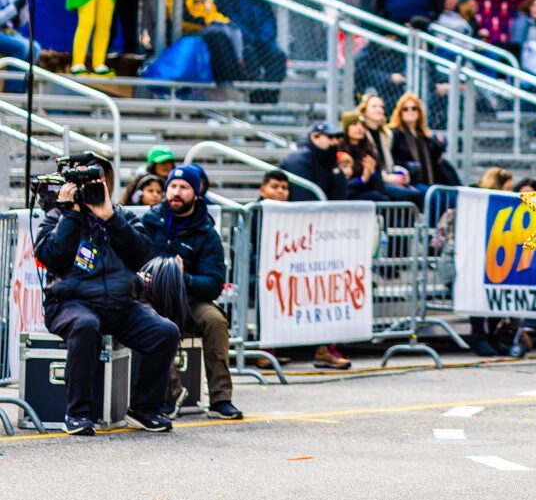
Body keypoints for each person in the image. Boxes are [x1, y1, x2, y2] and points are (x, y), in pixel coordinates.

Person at [33, 153, 180, 434]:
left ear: (108, 182)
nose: (92, 184)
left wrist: (111, 219)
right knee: (86, 325)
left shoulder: (119, 215)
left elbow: (142, 254)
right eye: (85, 179)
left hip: (121, 305)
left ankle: (145, 409)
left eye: (98, 178)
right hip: (69, 304)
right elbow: (51, 256)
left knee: (165, 332)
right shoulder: (57, 215)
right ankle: (77, 414)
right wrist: (72, 214)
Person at [136, 164, 242, 420]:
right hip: (152, 299)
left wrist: (182, 278)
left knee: (215, 320)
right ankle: (170, 393)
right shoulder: (148, 222)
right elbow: (131, 261)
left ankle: (221, 399)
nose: (176, 192)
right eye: (172, 186)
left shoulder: (207, 234)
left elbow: (213, 284)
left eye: (184, 188)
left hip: (190, 300)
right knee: (154, 325)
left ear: (196, 194)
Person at [252, 171, 353, 371]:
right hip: (267, 272)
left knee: (322, 287)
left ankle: (325, 349)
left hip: (293, 270)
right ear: (263, 190)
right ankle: (265, 351)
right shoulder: (253, 214)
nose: (280, 191)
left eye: (284, 188)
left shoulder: (294, 214)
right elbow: (251, 250)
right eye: (275, 187)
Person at [214, 0, 287, 103]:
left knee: (278, 56)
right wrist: (251, 38)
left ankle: (268, 97)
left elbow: (268, 21)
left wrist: (262, 39)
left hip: (261, 42)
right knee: (249, 54)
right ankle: (255, 95)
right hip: (241, 44)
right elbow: (232, 23)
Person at [358, 93, 423, 206]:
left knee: (417, 194)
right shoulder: (361, 134)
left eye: (381, 107)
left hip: (387, 176)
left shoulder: (386, 135)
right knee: (407, 195)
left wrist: (401, 172)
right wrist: (386, 177)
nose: (379, 109)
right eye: (374, 106)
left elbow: (388, 163)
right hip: (373, 181)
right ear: (364, 110)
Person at [388, 92, 460, 190]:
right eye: (405, 109)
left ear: (419, 112)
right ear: (400, 113)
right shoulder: (395, 134)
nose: (410, 111)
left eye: (414, 108)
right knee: (432, 196)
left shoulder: (423, 136)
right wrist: (410, 166)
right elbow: (392, 159)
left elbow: (432, 161)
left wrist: (438, 146)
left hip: (427, 180)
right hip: (410, 180)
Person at [278, 122, 349, 201]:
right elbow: (302, 200)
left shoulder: (328, 161)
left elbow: (339, 197)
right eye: (330, 137)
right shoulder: (299, 161)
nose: (335, 142)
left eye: (338, 138)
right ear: (315, 137)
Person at [0, 0, 35, 64]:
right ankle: (13, 81)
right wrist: (15, 7)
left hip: (7, 33)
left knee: (35, 48)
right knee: (21, 47)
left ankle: (23, 81)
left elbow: (21, 23)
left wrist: (23, 5)